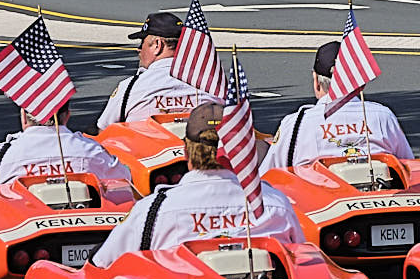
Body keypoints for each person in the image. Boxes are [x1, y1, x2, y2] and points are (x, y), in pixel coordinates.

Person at [90, 102, 306, 267]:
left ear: (185, 151)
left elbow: (102, 262)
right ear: (241, 150)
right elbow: (302, 262)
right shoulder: (277, 204)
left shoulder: (155, 210)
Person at [260, 41, 414, 173]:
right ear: (359, 83)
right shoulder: (383, 116)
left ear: (316, 82)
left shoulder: (296, 124)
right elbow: (409, 167)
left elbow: (268, 177)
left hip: (316, 204)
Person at [0, 102, 131, 199]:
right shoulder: (91, 151)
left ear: (24, 117)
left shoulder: (1, 156)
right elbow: (126, 180)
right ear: (66, 116)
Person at [96, 12, 204, 130]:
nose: (139, 49)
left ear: (158, 45)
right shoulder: (211, 85)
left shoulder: (130, 88)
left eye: (143, 42)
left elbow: (105, 130)